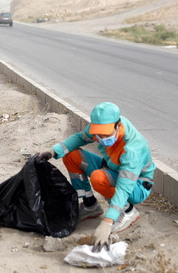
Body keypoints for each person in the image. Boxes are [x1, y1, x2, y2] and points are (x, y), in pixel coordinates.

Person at [37, 102, 155, 253]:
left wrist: (108, 221)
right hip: (111, 168)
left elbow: (125, 187)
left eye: (106, 134)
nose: (101, 138)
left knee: (99, 178)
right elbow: (80, 138)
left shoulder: (132, 149)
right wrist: (54, 151)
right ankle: (90, 204)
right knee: (71, 155)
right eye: (99, 135)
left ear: (118, 125)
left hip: (137, 185)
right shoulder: (100, 126)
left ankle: (127, 211)